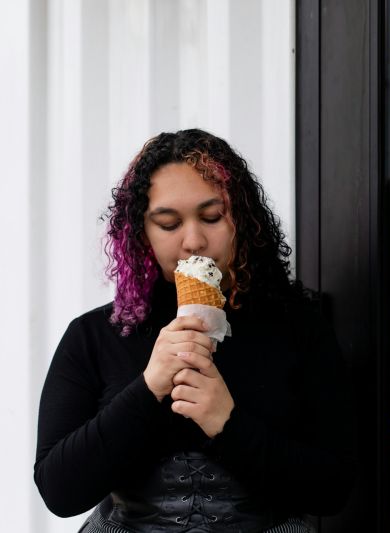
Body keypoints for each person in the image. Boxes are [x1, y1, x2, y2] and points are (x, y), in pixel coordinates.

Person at [34, 129, 356, 532]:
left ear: (243, 220)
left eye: (212, 217)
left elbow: (333, 490)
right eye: (168, 224)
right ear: (142, 233)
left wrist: (227, 423)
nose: (194, 241)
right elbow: (59, 492)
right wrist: (149, 387)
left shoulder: (298, 328)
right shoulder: (95, 335)